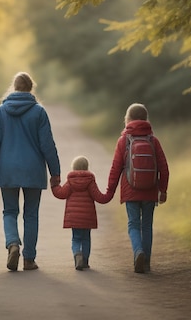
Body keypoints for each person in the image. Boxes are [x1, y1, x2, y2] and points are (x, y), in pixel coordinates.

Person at [0, 71, 61, 271]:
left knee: (9, 211)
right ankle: (29, 259)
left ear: (14, 87)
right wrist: (55, 172)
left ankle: (13, 243)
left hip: (8, 169)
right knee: (31, 214)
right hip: (33, 169)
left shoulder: (1, 111)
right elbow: (47, 145)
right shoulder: (39, 112)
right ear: (31, 88)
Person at [105, 103, 169, 273]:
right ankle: (146, 261)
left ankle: (138, 251)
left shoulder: (124, 140)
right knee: (146, 225)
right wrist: (163, 190)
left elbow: (115, 168)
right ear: (146, 119)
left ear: (128, 119)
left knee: (133, 224)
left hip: (130, 190)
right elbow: (164, 168)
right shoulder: (153, 140)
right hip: (150, 191)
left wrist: (110, 191)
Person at [51, 156, 112, 270]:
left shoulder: (70, 181)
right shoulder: (90, 180)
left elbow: (61, 193)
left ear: (73, 168)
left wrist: (54, 185)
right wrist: (110, 193)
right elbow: (99, 197)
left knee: (76, 238)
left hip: (74, 217)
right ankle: (85, 260)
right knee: (86, 238)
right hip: (87, 217)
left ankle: (77, 254)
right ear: (87, 167)